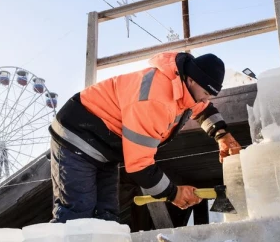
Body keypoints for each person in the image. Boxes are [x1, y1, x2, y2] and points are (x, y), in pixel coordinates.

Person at [48, 51, 242, 223]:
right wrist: (174, 193)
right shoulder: (155, 99)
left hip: (105, 149)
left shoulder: (184, 87)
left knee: (106, 218)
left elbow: (203, 109)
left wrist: (222, 135)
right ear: (191, 80)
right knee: (76, 216)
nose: (206, 99)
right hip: (77, 135)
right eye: (206, 93)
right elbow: (140, 166)